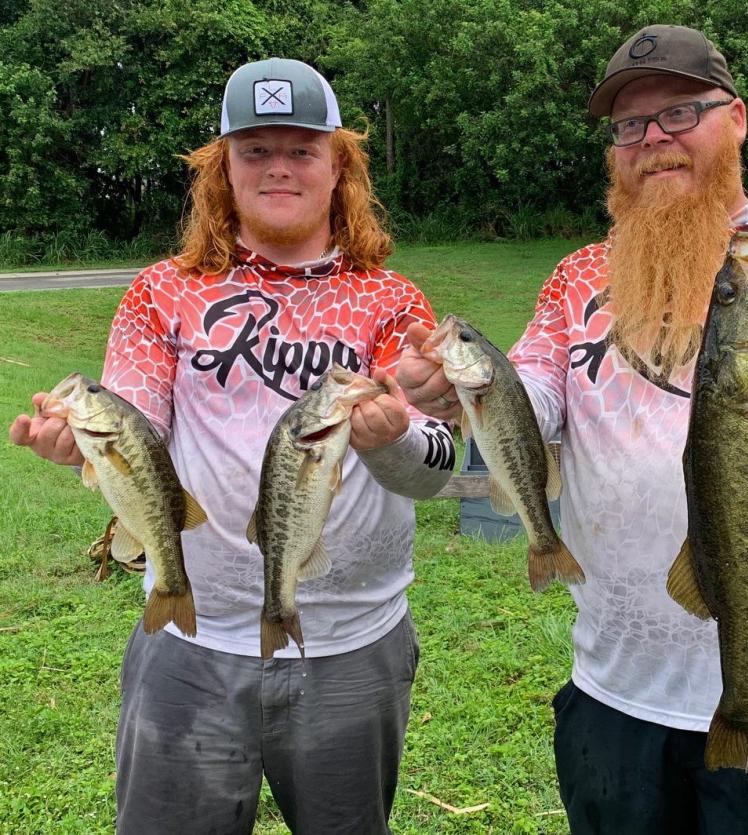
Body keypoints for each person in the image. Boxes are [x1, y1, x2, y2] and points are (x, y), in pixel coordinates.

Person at [397, 24, 748, 835]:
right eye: (630, 126)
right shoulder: (577, 274)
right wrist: (466, 389)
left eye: (681, 112)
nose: (654, 141)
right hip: (614, 695)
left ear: (737, 118)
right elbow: (534, 398)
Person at [9, 57, 454, 834]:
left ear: (338, 165)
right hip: (190, 642)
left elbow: (436, 471)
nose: (278, 166)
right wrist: (86, 442)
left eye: (301, 149)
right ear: (222, 168)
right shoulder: (161, 291)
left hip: (354, 648)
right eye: (253, 149)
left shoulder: (392, 299)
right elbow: (135, 418)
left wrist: (396, 438)